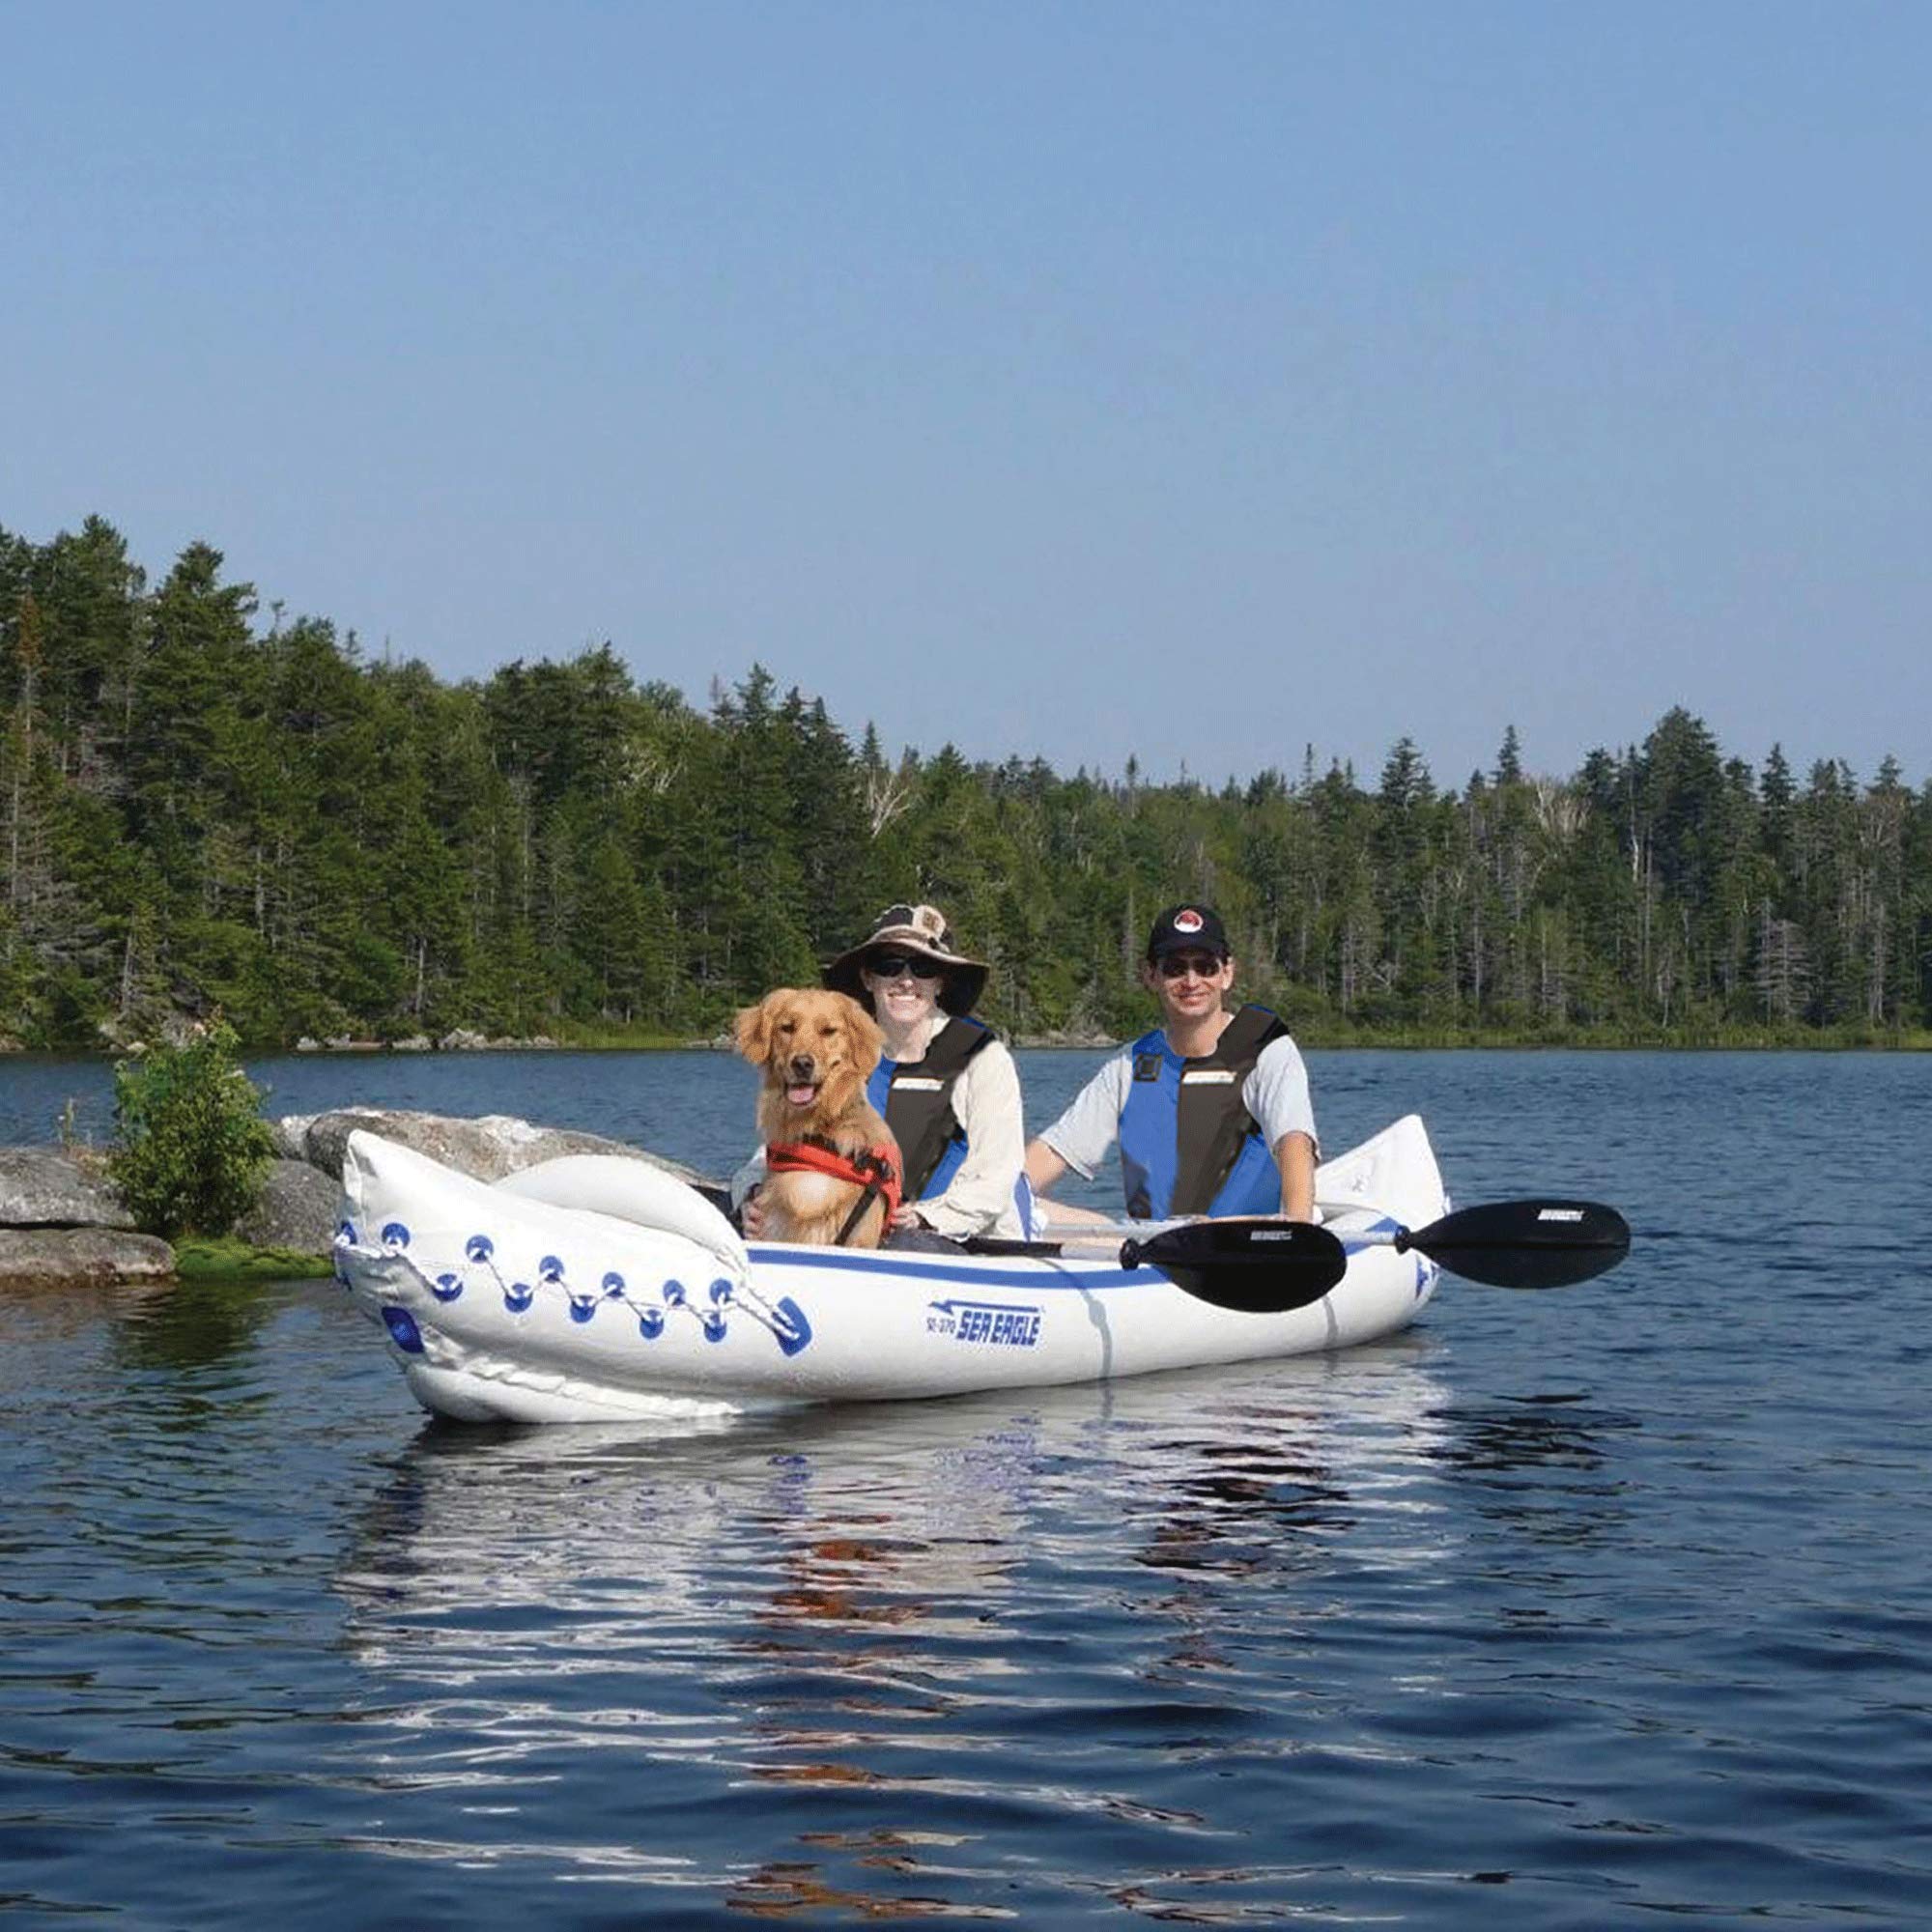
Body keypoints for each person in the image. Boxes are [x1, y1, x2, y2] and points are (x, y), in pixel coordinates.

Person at [735, 903, 1029, 1243]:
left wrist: (925, 1217)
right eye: (889, 965)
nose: (906, 980)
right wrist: (750, 1194)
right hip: (861, 1235)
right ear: (868, 978)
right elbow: (783, 1144)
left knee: (905, 1243)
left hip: (959, 1239)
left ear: (940, 982)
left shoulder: (983, 1058)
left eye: (923, 968)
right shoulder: (842, 1055)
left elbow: (996, 1176)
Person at [1023, 904, 1317, 1225]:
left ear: (1227, 974)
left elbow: (1294, 1142)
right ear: (1151, 976)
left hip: (1240, 1242)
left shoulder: (1266, 1050)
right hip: (1153, 1243)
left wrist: (1296, 1225)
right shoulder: (1129, 1065)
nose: (1191, 981)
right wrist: (1004, 1194)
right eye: (1175, 968)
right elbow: (1057, 1150)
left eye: (1205, 967)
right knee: (1019, 1206)